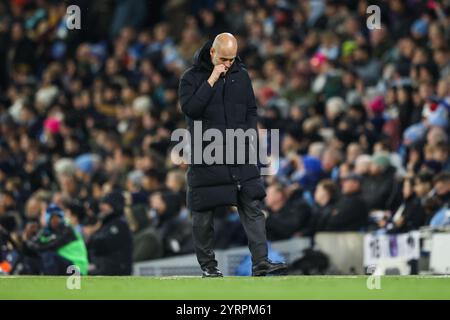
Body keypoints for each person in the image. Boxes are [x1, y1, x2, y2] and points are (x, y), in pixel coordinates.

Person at [178, 32, 287, 277]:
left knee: (252, 206)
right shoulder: (191, 78)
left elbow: (250, 110)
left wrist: (250, 138)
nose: (228, 64)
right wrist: (211, 80)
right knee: (202, 212)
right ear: (212, 53)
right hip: (207, 153)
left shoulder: (241, 75)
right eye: (224, 59)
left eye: (232, 59)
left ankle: (261, 262)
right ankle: (209, 268)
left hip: (239, 152)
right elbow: (191, 110)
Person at [23, 204, 89, 275]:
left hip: (77, 269)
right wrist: (26, 239)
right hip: (65, 265)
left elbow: (50, 246)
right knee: (31, 258)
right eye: (52, 217)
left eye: (57, 217)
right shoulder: (48, 231)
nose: (55, 220)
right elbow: (30, 249)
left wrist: (33, 244)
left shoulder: (67, 229)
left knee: (48, 254)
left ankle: (51, 283)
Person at [85, 191, 133, 275]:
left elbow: (103, 244)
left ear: (114, 205)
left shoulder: (120, 224)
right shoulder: (106, 223)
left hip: (116, 270)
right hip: (103, 266)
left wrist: (91, 236)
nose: (101, 207)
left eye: (106, 204)